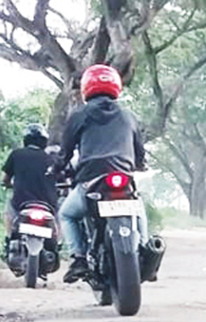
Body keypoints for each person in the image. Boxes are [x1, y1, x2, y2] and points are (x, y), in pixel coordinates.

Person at [58, 64, 148, 281]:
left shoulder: (78, 115)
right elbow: (139, 152)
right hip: (124, 179)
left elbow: (65, 151)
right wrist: (139, 164)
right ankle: (145, 249)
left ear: (86, 87)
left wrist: (57, 168)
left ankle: (78, 258)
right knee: (138, 209)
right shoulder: (129, 116)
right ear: (116, 85)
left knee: (66, 214)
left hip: (91, 181)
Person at [0, 123, 60, 234]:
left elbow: (4, 179)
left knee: (8, 212)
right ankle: (58, 240)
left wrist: (8, 184)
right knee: (61, 215)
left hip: (21, 203)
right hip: (49, 204)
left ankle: (9, 238)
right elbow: (62, 179)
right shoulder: (52, 158)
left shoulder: (16, 154)